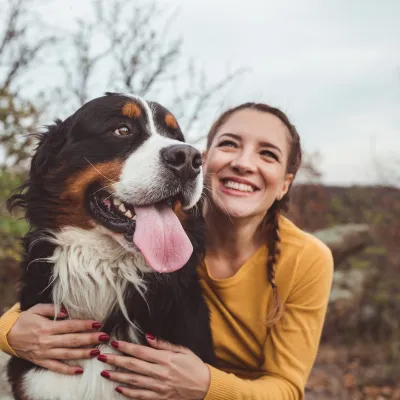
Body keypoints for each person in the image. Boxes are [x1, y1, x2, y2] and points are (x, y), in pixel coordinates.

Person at [0, 102, 333, 399]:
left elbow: (287, 388)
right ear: (209, 155)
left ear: (286, 183)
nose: (245, 163)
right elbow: (52, 285)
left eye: (268, 153)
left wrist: (205, 385)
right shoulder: (174, 232)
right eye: (229, 144)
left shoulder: (305, 257)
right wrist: (11, 332)